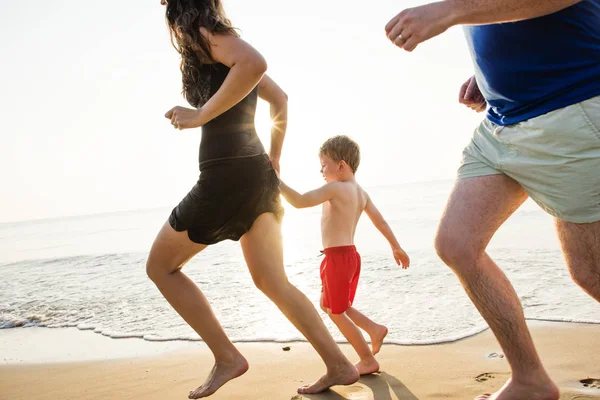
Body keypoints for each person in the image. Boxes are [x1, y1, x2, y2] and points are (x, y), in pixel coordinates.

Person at [384, 1, 600, 399]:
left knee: (590, 272)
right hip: (503, 121)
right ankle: (529, 380)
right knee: (457, 246)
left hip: (570, 108)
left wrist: (448, 12)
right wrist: (490, 74)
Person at [146, 1, 359, 398]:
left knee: (160, 267)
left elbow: (255, 63)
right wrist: (274, 158)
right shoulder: (215, 40)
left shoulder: (207, 34)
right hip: (255, 175)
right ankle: (339, 364)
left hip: (225, 175)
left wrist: (200, 115)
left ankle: (227, 356)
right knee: (272, 280)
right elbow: (280, 100)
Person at [278, 135, 410, 377]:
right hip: (346, 256)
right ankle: (373, 329)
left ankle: (367, 359)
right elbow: (379, 221)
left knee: (336, 311)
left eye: (324, 164)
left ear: (341, 165)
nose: (321, 170)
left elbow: (299, 201)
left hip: (338, 258)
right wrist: (395, 246)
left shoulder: (335, 188)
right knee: (329, 304)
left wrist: (276, 182)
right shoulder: (361, 193)